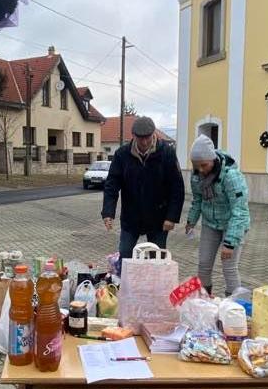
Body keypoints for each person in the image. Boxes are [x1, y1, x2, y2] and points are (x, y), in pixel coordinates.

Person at [102, 116, 185, 261]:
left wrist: (171, 217)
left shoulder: (166, 153)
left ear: (154, 134)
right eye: (141, 138)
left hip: (159, 218)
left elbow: (177, 187)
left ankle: (155, 283)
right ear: (133, 136)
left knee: (157, 258)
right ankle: (126, 283)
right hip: (131, 216)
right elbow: (112, 185)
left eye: (148, 137)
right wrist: (108, 212)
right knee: (125, 254)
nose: (145, 142)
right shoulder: (122, 154)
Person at [184, 135, 250, 296]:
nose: (200, 170)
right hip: (210, 224)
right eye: (196, 166)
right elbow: (198, 200)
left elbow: (240, 211)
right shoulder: (197, 176)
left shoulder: (231, 176)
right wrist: (191, 220)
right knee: (204, 264)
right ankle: (203, 301)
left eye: (204, 165)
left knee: (228, 266)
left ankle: (234, 307)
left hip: (232, 225)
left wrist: (230, 242)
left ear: (213, 160)